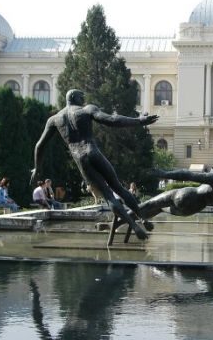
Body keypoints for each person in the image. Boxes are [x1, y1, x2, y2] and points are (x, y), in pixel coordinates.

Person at [31, 89, 158, 240]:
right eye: (81, 97)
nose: (83, 100)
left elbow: (39, 146)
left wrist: (37, 168)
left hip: (80, 159)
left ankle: (135, 227)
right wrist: (139, 121)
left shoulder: (54, 119)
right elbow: (112, 120)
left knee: (108, 195)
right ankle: (142, 218)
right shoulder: (87, 109)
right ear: (73, 97)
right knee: (118, 187)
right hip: (93, 151)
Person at [133, 162, 213, 222]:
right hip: (192, 209)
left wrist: (165, 174)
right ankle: (135, 220)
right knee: (160, 209)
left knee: (149, 204)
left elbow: (188, 175)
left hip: (186, 195)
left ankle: (125, 217)